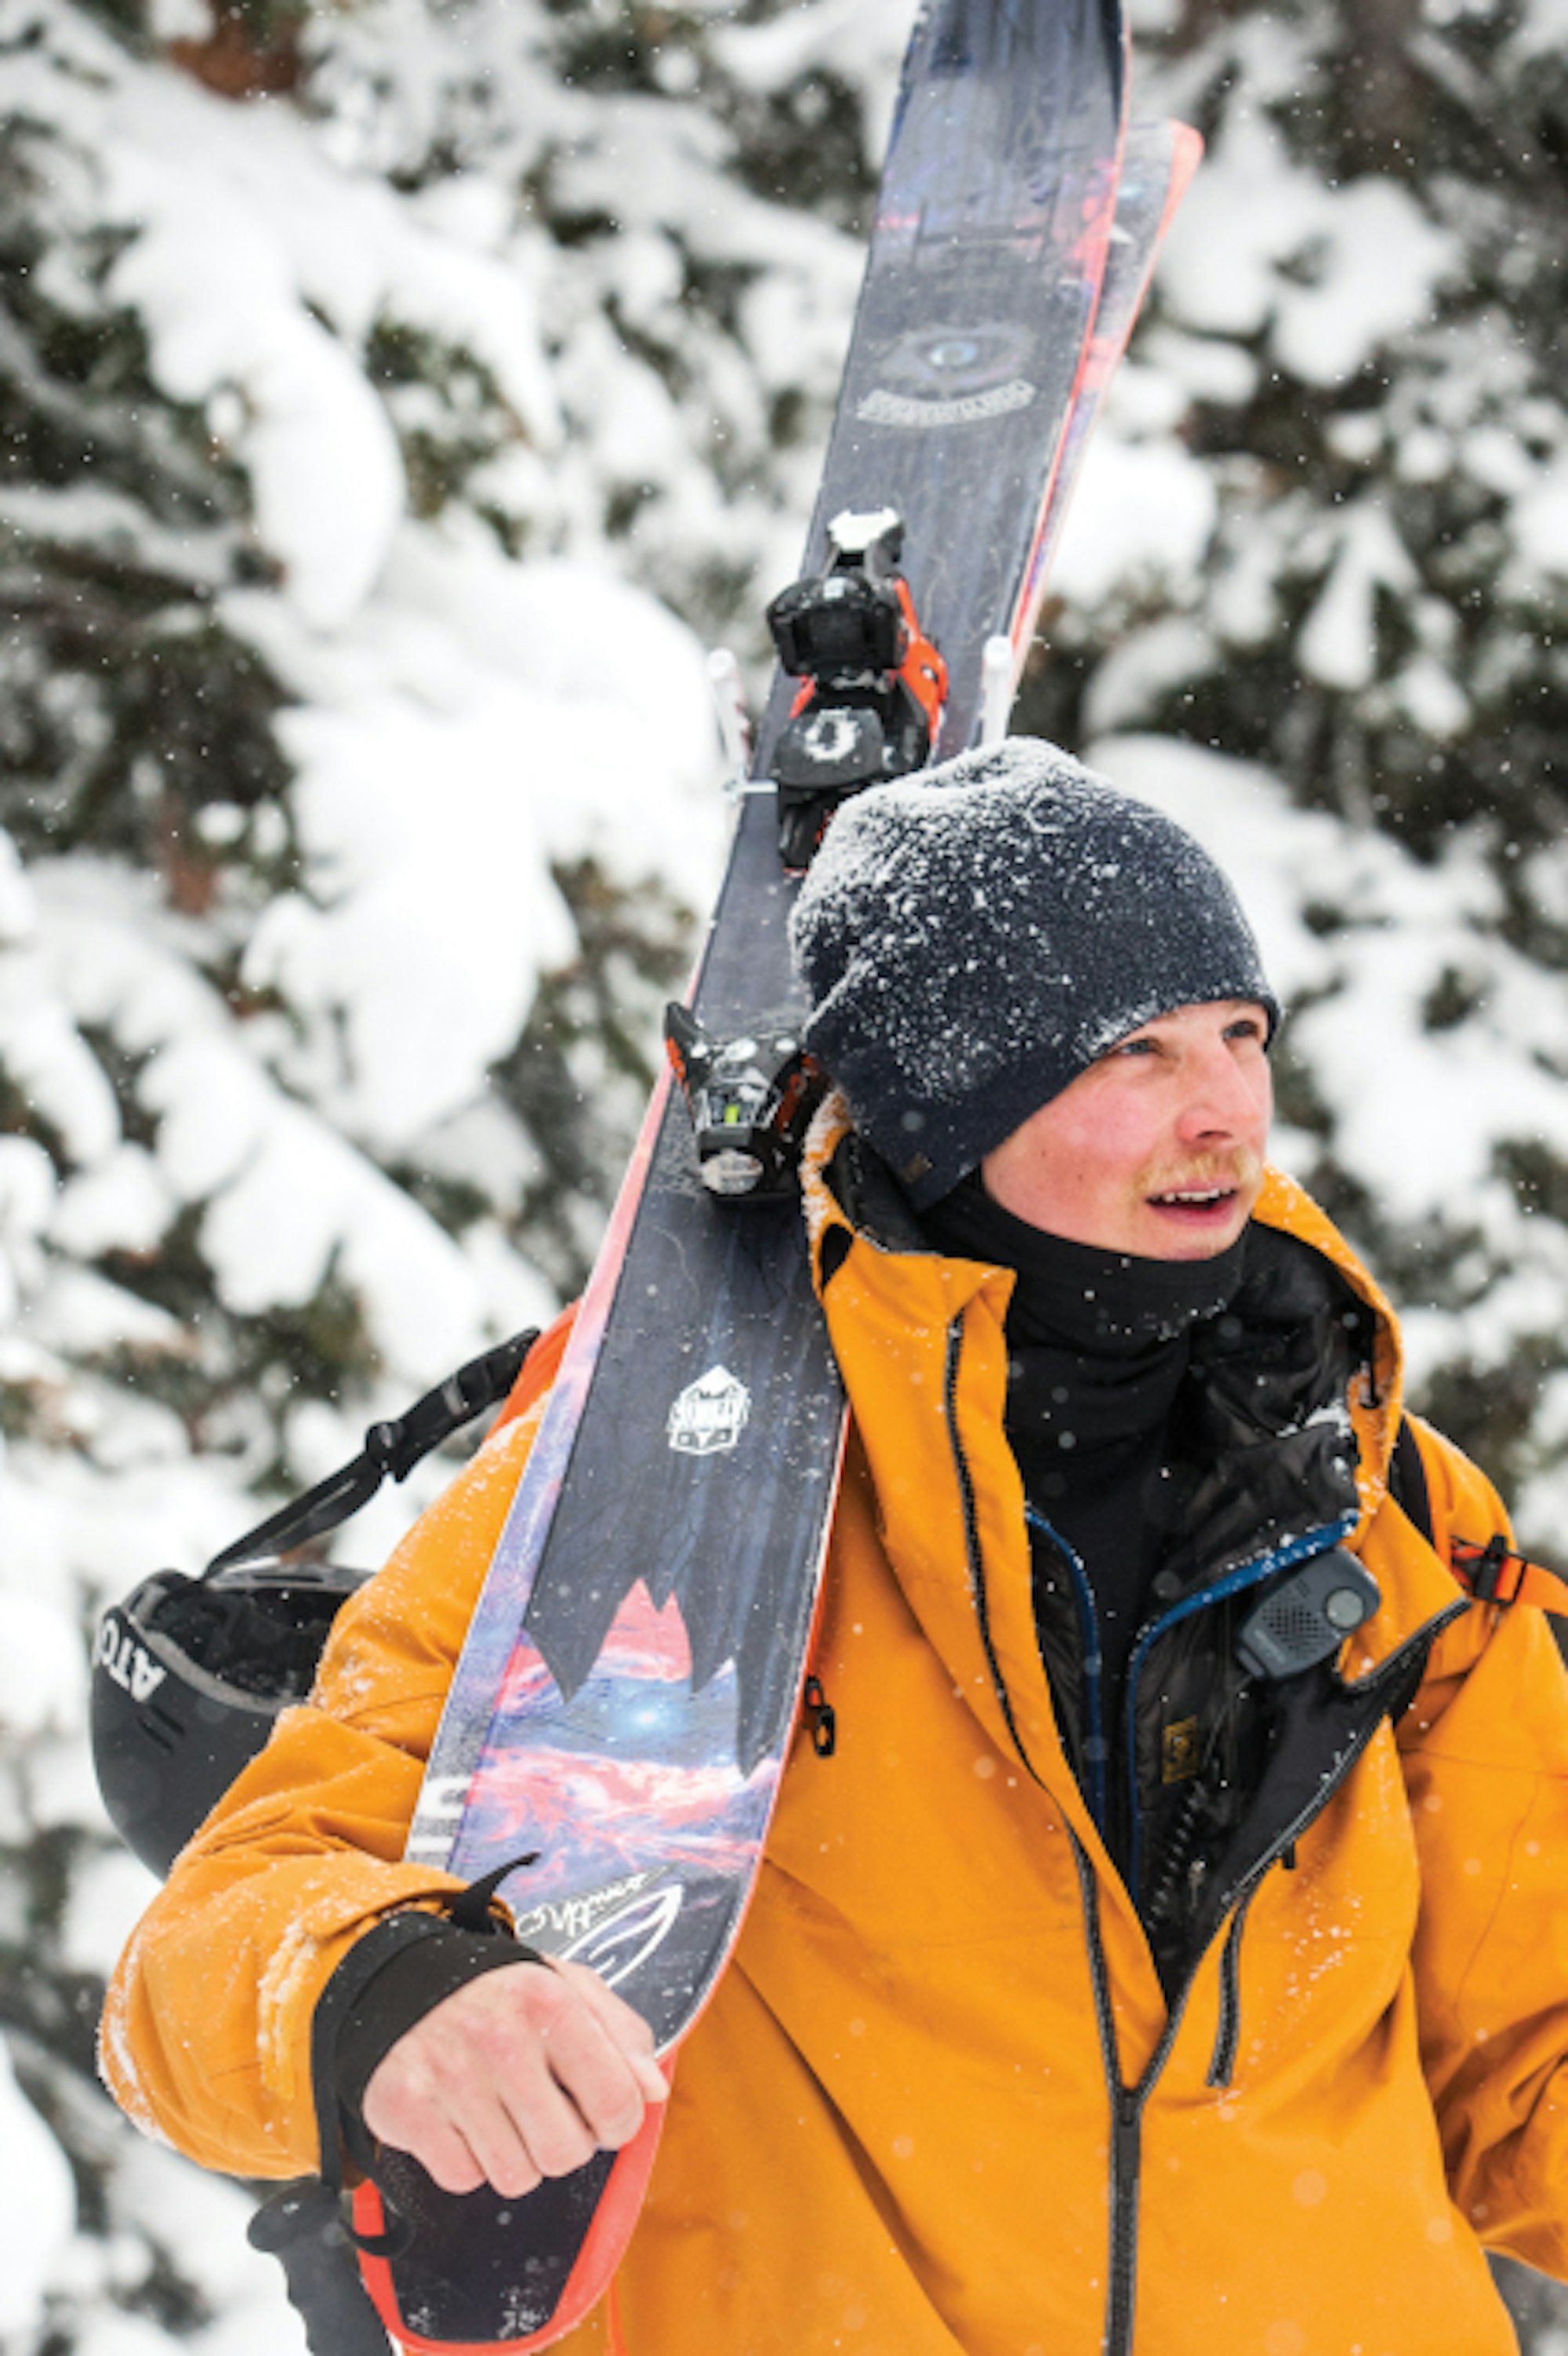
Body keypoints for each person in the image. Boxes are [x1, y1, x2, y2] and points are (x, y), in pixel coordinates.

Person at [102, 738, 1568, 2354]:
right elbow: (200, 1961)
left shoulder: (1383, 1501)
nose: (1225, 1109)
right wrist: (378, 1999)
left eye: (1238, 1035)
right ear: (954, 1107)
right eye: (1135, 1054)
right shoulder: (669, 1484)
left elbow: (1528, 2067)